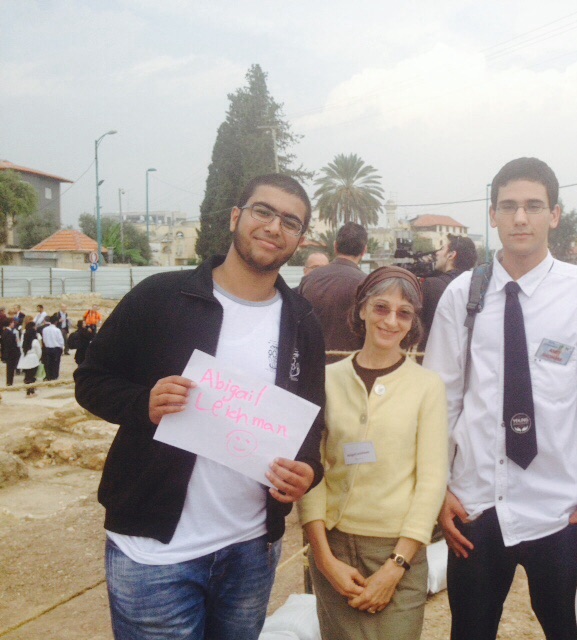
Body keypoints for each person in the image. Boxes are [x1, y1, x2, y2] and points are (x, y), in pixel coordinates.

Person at [74, 173, 327, 639]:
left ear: (299, 238)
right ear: (236, 216)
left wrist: (308, 470)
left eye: (290, 221)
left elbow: (311, 425)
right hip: (154, 555)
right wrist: (142, 403)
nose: (274, 227)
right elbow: (90, 379)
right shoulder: (161, 297)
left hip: (250, 551)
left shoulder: (303, 322)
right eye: (263, 212)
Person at [424, 157, 577, 640]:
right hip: (476, 507)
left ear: (554, 215)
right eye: (509, 206)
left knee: (569, 631)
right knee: (470, 631)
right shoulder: (463, 296)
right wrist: (441, 489)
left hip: (560, 510)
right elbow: (440, 400)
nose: (521, 218)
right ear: (493, 215)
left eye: (534, 206)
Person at [299, 266, 448, 640]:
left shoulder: (427, 387)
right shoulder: (328, 380)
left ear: (413, 322)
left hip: (396, 552)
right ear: (362, 309)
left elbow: (431, 481)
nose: (391, 321)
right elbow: (313, 469)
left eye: (403, 313)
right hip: (333, 549)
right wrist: (323, 556)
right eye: (381, 308)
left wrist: (396, 566)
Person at [300, 222, 369, 361]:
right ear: (364, 251)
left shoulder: (309, 280)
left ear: (335, 246)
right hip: (350, 368)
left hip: (310, 364)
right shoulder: (368, 285)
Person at [419, 234, 478, 350]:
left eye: (442, 249)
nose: (437, 253)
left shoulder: (432, 285)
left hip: (434, 356)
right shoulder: (477, 286)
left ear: (451, 255)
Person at [18, 321, 41, 397]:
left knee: (27, 376)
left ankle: (28, 392)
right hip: (33, 359)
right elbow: (39, 352)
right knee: (32, 376)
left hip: (26, 359)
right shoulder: (35, 341)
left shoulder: (24, 342)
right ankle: (32, 391)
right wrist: (38, 358)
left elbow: (21, 350)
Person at [1, 318, 21, 386]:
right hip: (11, 353)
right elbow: (10, 344)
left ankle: (9, 382)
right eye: (12, 323)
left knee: (10, 369)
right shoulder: (9, 333)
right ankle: (9, 382)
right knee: (10, 369)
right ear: (10, 323)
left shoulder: (5, 332)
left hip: (7, 353)